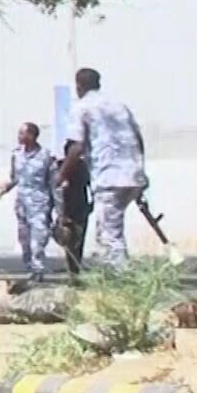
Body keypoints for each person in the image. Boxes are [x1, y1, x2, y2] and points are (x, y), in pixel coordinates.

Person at [61, 67, 147, 269]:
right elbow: (138, 139)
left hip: (110, 176)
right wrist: (140, 173)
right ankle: (120, 272)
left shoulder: (81, 107)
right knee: (114, 228)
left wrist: (63, 174)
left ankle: (121, 279)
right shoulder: (119, 106)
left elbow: (77, 146)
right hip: (133, 173)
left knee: (108, 234)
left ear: (79, 86)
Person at [0, 123, 56, 285]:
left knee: (38, 240)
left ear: (32, 136)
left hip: (39, 204)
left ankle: (38, 271)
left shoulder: (46, 156)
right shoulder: (16, 154)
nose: (18, 136)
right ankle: (30, 268)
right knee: (24, 240)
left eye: (22, 133)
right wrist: (7, 186)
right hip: (22, 204)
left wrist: (59, 209)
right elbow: (15, 178)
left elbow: (53, 183)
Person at [57, 139, 93, 274]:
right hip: (66, 206)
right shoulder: (60, 166)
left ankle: (75, 266)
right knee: (67, 238)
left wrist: (91, 203)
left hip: (80, 206)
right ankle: (71, 265)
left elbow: (90, 186)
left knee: (78, 238)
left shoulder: (84, 166)